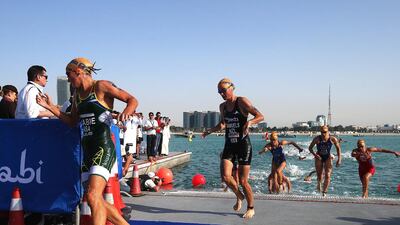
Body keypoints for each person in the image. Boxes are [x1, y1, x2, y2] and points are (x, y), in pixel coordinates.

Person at [36, 57, 137, 225]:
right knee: (93, 199)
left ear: (79, 71)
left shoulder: (101, 86)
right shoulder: (76, 95)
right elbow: (72, 121)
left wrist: (127, 111)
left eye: (68, 74)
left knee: (93, 196)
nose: (68, 78)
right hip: (87, 151)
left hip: (103, 147)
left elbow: (132, 100)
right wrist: (50, 107)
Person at [202, 78, 264, 219]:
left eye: (223, 91)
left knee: (243, 181)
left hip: (243, 144)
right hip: (229, 144)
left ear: (232, 88)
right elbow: (223, 124)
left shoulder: (242, 101)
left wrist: (250, 122)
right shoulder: (222, 106)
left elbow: (260, 116)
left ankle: (251, 207)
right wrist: (209, 131)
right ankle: (239, 195)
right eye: (219, 92)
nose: (221, 94)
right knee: (225, 176)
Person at [308, 125, 342, 196]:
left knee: (328, 175)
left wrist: (339, 159)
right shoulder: (317, 139)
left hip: (328, 157)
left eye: (325, 132)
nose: (323, 134)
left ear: (328, 131)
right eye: (322, 132)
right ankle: (319, 183)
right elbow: (310, 148)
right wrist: (315, 155)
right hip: (319, 157)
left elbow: (338, 149)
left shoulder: (333, 139)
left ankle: (324, 192)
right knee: (319, 175)